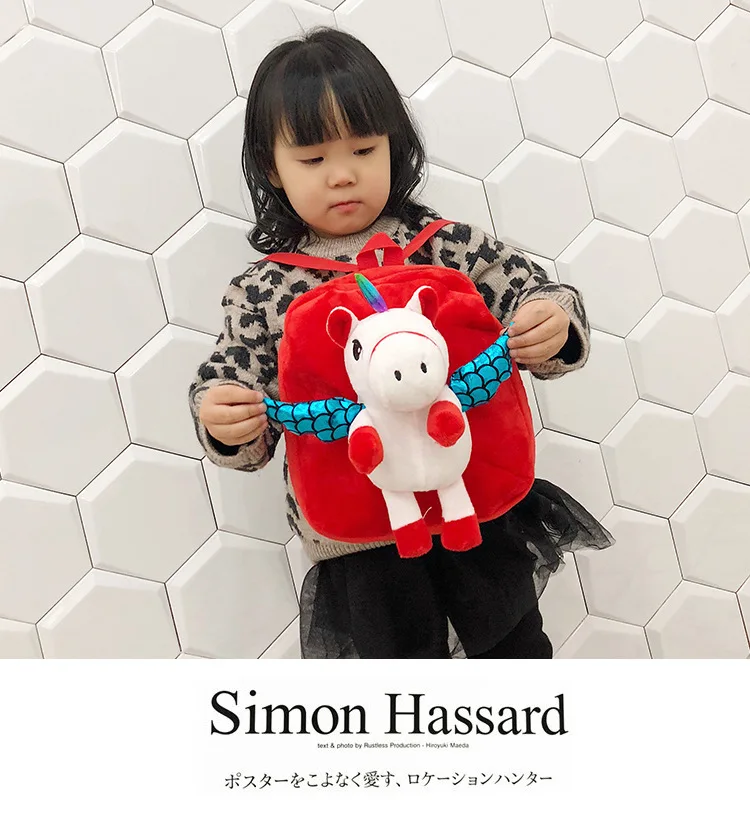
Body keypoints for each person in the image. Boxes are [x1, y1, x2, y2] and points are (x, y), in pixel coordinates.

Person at [188, 27, 613, 660]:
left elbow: (535, 293)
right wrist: (225, 419)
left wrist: (550, 322)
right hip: (361, 540)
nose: (342, 176)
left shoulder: (447, 247)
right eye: (312, 160)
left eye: (363, 149)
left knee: (516, 652)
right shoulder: (262, 292)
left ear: (395, 145)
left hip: (476, 507)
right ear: (271, 169)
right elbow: (236, 388)